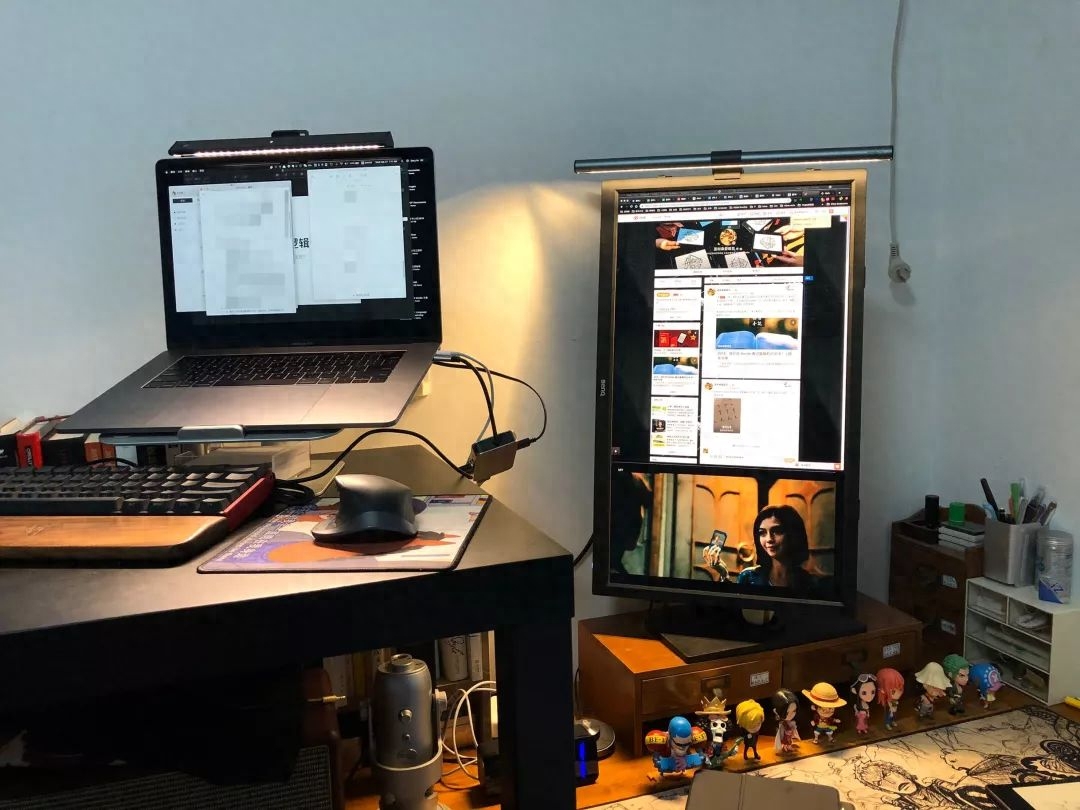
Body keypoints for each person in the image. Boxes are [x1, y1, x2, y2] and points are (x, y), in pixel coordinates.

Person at [736, 504, 830, 591]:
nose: (769, 539)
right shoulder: (748, 578)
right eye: (762, 533)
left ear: (793, 534)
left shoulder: (812, 584)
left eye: (777, 531)